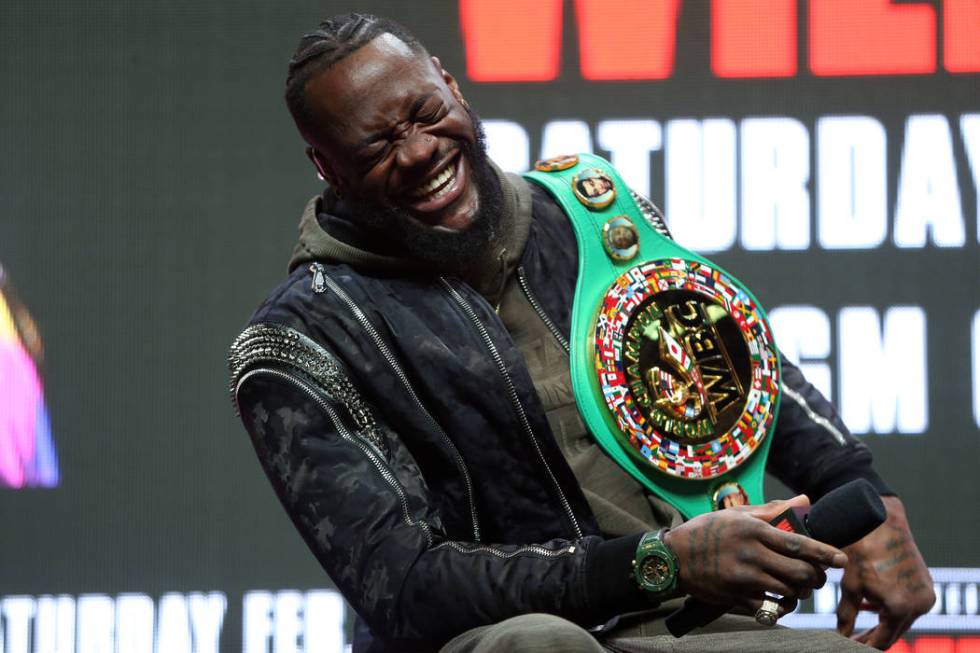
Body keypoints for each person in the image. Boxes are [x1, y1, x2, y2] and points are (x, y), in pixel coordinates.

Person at [229, 13, 935, 653]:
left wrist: (863, 491)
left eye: (424, 112)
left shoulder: (588, 215)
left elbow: (734, 364)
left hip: (693, 625)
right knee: (541, 645)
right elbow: (407, 586)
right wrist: (660, 561)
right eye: (377, 144)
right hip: (509, 639)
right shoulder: (302, 340)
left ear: (450, 82)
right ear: (327, 167)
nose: (417, 152)